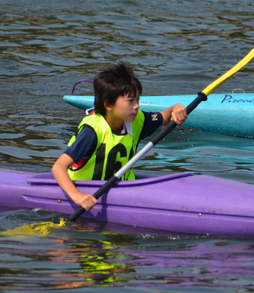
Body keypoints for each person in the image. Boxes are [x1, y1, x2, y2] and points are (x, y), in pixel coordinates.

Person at [52, 61, 188, 211]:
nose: (136, 106)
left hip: (122, 194)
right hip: (86, 193)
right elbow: (58, 167)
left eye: (138, 99)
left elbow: (166, 116)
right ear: (108, 104)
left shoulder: (137, 121)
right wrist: (77, 196)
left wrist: (176, 108)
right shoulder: (92, 131)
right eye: (130, 101)